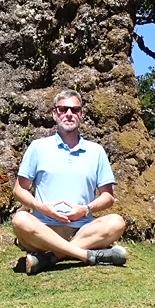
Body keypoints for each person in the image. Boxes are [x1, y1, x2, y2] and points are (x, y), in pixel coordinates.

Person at [12, 89, 128, 275]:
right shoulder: (38, 147)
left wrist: (85, 210)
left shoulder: (96, 151)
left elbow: (108, 197)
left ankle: (51, 258)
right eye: (63, 109)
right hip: (43, 228)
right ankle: (89, 256)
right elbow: (19, 190)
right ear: (54, 114)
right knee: (20, 219)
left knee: (116, 222)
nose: (69, 114)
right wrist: (41, 208)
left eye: (74, 110)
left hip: (83, 230)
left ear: (81, 115)